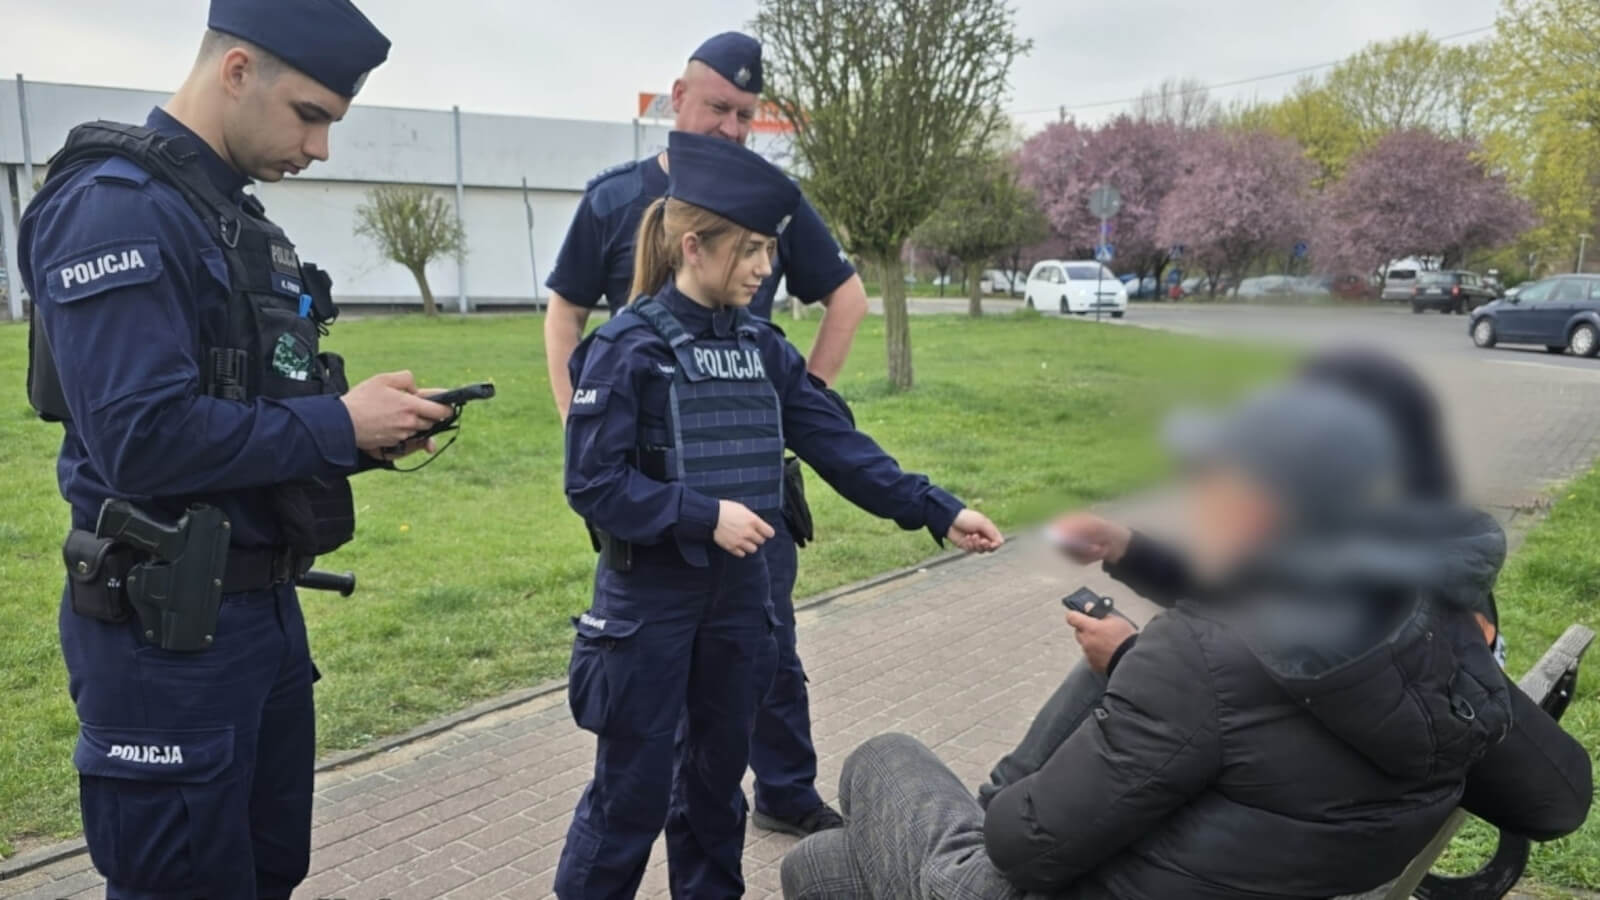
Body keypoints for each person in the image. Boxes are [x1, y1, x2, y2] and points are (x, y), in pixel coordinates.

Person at [781, 380, 1592, 899]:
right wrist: (1136, 557)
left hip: (1054, 879)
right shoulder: (1437, 628)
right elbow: (1556, 800)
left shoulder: (1194, 659)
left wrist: (1136, 665)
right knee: (818, 868)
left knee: (879, 761)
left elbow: (1022, 851)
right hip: (1287, 868)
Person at [18, 3, 450, 897]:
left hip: (257, 613)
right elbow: (144, 439)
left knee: (263, 872)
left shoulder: (226, 215)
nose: (321, 148)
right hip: (163, 634)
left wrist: (370, 427)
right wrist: (340, 425)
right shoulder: (113, 208)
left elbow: (248, 407)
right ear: (238, 70)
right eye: (311, 114)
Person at [556, 130, 1002, 899]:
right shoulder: (625, 349)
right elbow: (593, 486)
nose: (768, 269)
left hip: (740, 605)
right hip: (649, 609)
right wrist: (701, 516)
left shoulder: (765, 351)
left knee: (714, 791)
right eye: (754, 251)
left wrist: (939, 510)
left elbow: (842, 449)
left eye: (771, 249)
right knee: (628, 796)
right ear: (694, 246)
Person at [543, 30, 871, 837]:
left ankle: (787, 792)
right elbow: (567, 312)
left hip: (752, 480)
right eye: (719, 106)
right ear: (677, 96)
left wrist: (797, 406)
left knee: (767, 649)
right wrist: (578, 418)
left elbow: (848, 297)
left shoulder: (772, 200)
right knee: (652, 688)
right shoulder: (615, 199)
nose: (731, 125)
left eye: (746, 114)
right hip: (659, 484)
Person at [980, 346, 1508, 805]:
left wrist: (1126, 660)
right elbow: (1245, 600)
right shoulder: (1397, 554)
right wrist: (1126, 547)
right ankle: (996, 805)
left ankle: (989, 815)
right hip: (1340, 814)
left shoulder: (1383, 598)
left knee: (1119, 675)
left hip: (1284, 825)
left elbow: (1270, 721)